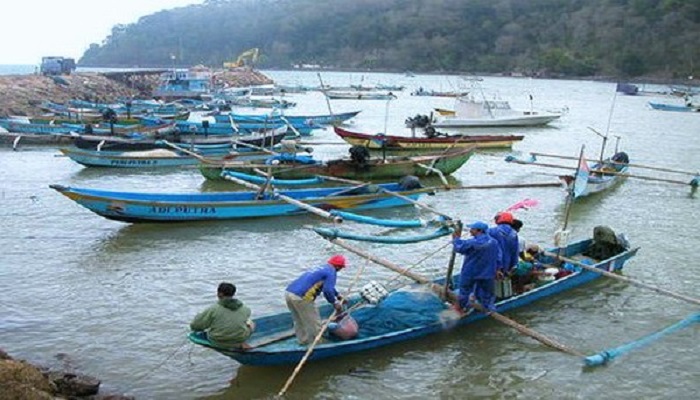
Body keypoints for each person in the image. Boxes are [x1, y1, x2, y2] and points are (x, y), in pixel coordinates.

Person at [285, 255, 347, 345]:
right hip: (302, 298)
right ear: (338, 266)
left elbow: (327, 286)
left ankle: (303, 341)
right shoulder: (332, 272)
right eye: (341, 268)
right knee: (314, 323)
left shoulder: (323, 268)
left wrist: (338, 295)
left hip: (289, 293)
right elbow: (327, 290)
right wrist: (334, 302)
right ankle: (317, 344)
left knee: (299, 321)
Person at [452, 221, 501, 313]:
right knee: (487, 293)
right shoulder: (494, 242)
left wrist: (455, 239)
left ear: (478, 231)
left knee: (464, 291)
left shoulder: (473, 242)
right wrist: (497, 269)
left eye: (472, 229)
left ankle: (461, 308)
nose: (470, 231)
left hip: (471, 272)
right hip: (487, 272)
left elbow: (459, 248)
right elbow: (499, 257)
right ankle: (488, 308)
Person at [190, 282, 255, 349]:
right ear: (233, 294)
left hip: (218, 341)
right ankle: (240, 344)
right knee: (251, 323)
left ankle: (236, 343)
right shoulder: (245, 308)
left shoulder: (213, 309)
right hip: (238, 339)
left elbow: (195, 326)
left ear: (219, 294)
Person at [488, 212, 520, 277]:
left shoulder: (491, 231)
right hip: (507, 263)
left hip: (492, 264)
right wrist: (513, 266)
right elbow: (515, 252)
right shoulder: (514, 234)